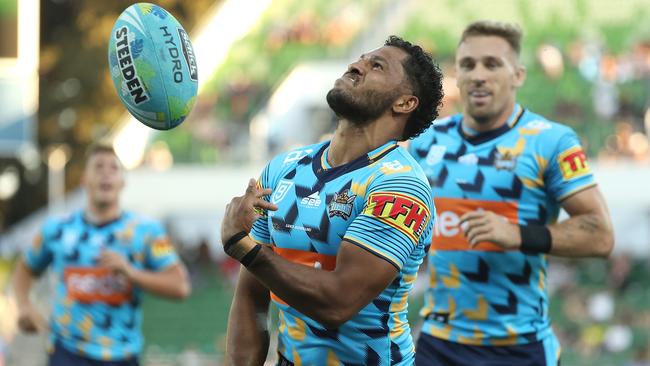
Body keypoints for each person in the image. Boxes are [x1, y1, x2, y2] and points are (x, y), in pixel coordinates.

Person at [220, 35, 444, 365]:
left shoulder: (399, 186)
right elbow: (252, 298)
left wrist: (243, 247)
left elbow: (338, 302)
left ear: (405, 103)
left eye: (376, 66)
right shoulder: (284, 169)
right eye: (361, 59)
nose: (356, 65)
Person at [407, 20, 614, 365]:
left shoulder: (550, 141)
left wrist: (518, 234)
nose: (478, 75)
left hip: (518, 346)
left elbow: (601, 235)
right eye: (468, 65)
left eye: (492, 64)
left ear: (517, 75)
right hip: (438, 343)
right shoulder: (428, 141)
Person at [12, 142, 191, 366]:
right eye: (98, 167)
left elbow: (180, 286)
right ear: (83, 180)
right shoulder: (56, 229)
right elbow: (24, 269)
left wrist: (131, 273)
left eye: (113, 168)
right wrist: (23, 306)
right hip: (67, 351)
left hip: (121, 354)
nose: (106, 173)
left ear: (123, 181)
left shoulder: (147, 232)